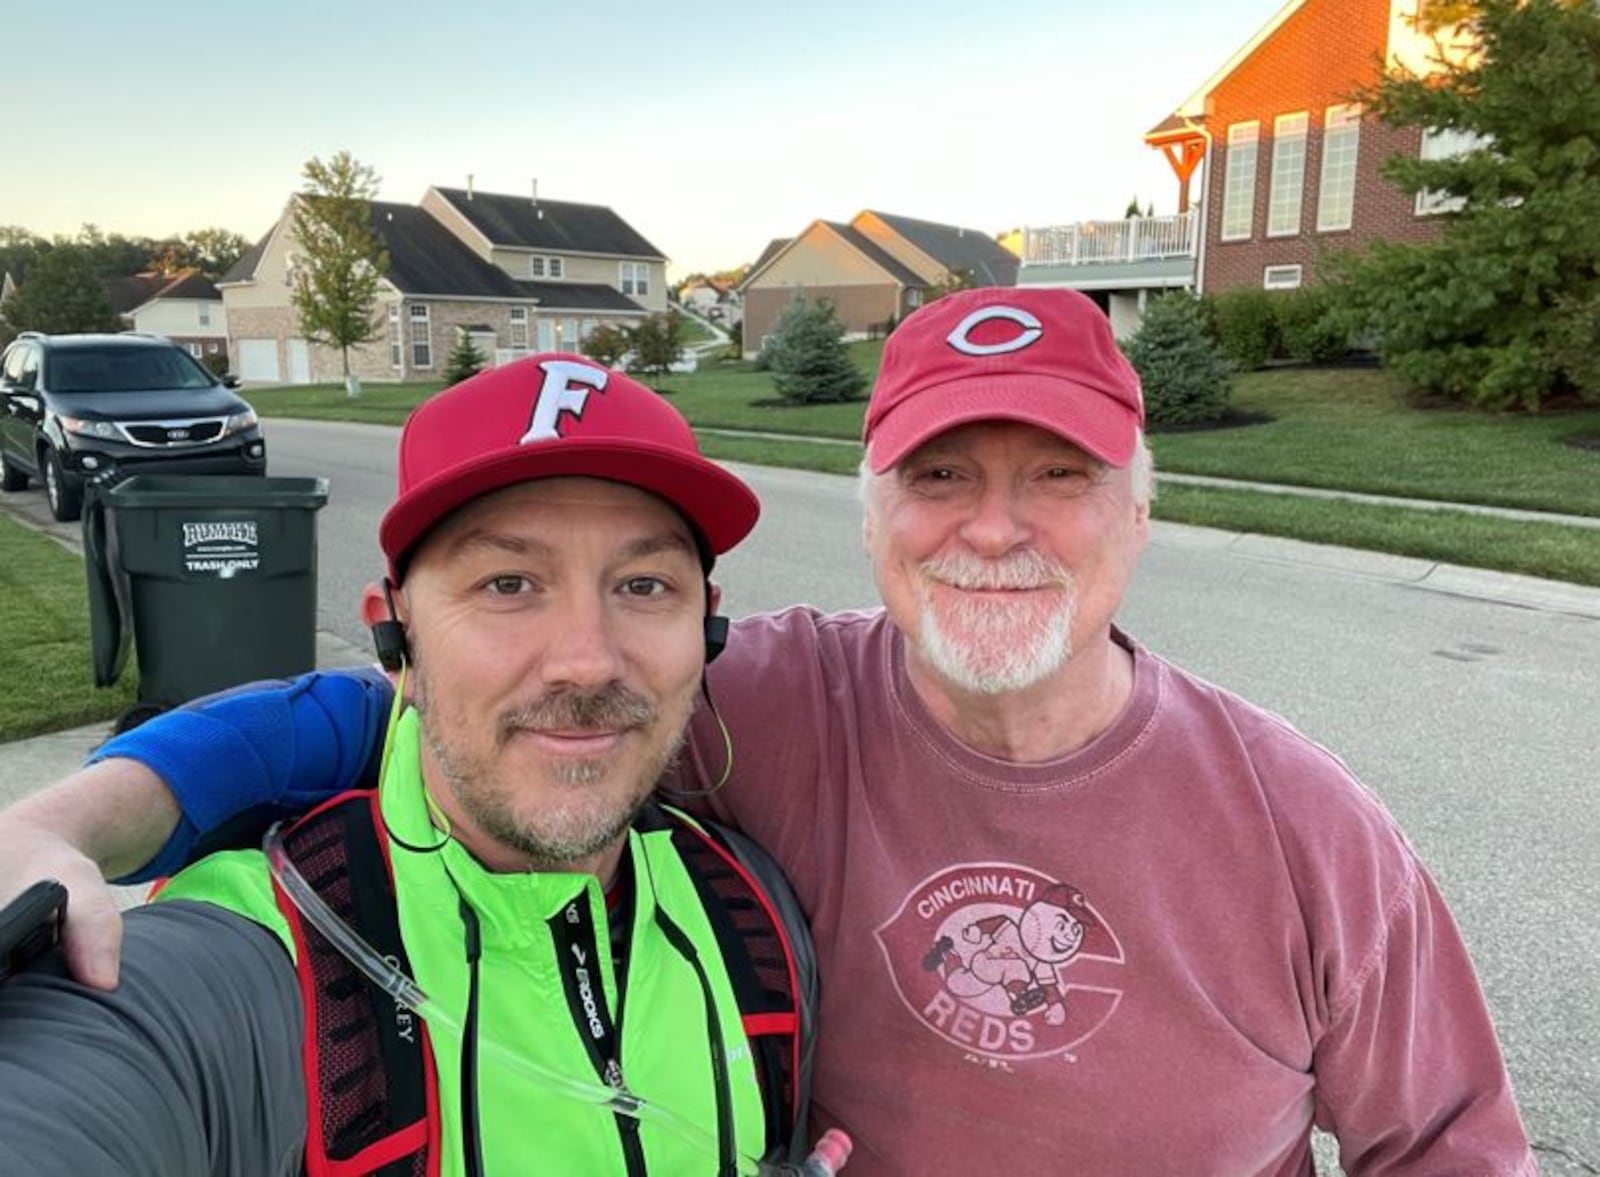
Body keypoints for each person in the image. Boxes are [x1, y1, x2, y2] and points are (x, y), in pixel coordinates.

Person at [0, 288, 1534, 1174]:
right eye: (941, 476)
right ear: (870, 519)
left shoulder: (1305, 824)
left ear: (1140, 510)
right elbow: (381, 712)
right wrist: (71, 827)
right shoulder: (763, 701)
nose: (993, 530)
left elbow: (1454, 1146)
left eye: (1056, 474)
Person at [0, 355, 829, 1176]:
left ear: (711, 626)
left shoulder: (754, 919)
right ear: (395, 636)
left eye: (645, 585)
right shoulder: (267, 952)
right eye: (509, 582)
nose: (588, 661)